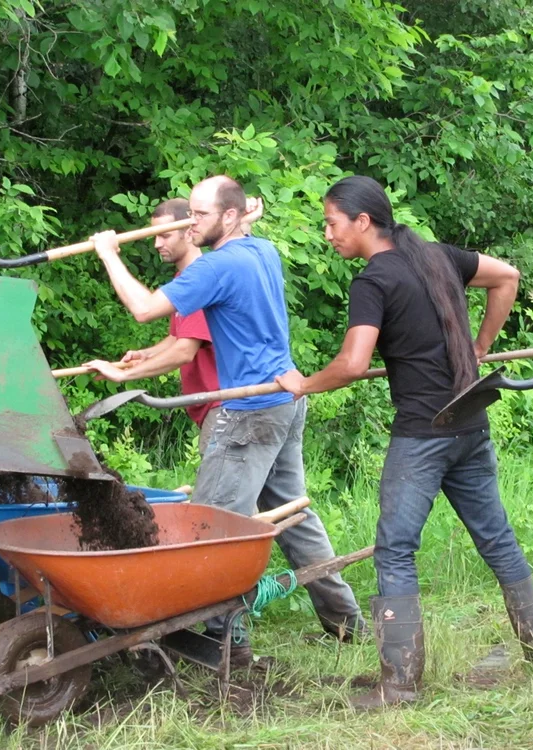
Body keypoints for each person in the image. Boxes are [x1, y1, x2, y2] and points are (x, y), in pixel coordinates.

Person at [276, 175, 533, 710]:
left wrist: (302, 384)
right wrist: (479, 348)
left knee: (395, 548)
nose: (327, 234)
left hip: (424, 433)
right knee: (495, 537)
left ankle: (399, 686)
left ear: (362, 222)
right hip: (470, 421)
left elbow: (354, 364)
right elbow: (507, 277)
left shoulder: (374, 281)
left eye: (332, 223)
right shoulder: (435, 256)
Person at [89, 175, 365, 661]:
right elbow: (231, 241)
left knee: (212, 528)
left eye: (198, 215)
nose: (189, 223)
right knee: (294, 516)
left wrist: (108, 252)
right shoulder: (262, 251)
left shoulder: (214, 267)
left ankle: (221, 638)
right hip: (284, 400)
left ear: (230, 216)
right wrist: (238, 219)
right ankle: (347, 623)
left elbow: (143, 308)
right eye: (188, 213)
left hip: (246, 414)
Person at [85, 197, 224, 455]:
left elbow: (183, 350)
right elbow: (178, 338)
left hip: (226, 408)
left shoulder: (201, 278)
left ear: (189, 232)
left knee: (216, 497)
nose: (157, 244)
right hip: (222, 407)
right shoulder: (186, 278)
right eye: (156, 236)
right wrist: (148, 354)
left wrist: (107, 255)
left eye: (165, 235)